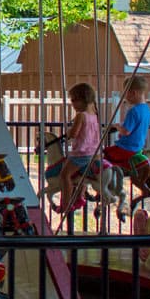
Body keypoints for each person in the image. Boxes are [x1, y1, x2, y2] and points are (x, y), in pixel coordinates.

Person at [45, 82, 101, 211]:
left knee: (65, 175)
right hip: (94, 152)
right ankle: (80, 197)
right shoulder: (94, 114)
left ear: (83, 100)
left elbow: (74, 134)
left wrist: (69, 132)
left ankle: (66, 203)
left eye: (74, 100)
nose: (73, 104)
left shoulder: (81, 116)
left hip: (81, 153)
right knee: (81, 175)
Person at [102, 76, 150, 192]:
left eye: (125, 93)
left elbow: (126, 131)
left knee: (104, 155)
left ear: (133, 93)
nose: (125, 96)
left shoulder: (133, 111)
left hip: (126, 147)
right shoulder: (146, 109)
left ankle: (106, 187)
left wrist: (117, 126)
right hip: (138, 147)